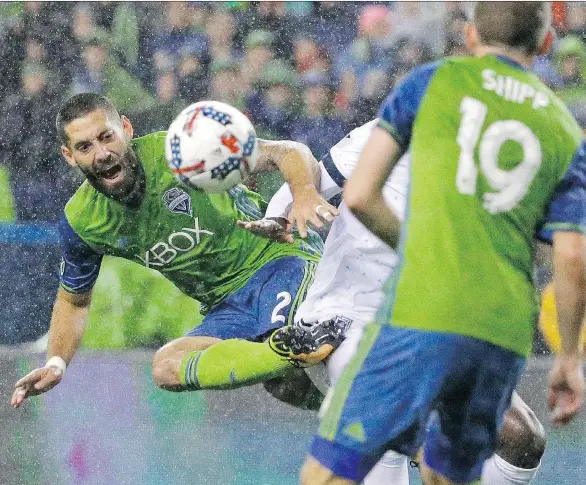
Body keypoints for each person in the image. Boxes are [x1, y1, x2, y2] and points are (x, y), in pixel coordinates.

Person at [300, 3, 586, 485]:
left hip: (421, 312)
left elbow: (361, 195)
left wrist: (420, 249)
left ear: (472, 37)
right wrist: (569, 358)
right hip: (500, 328)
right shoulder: (564, 131)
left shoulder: (432, 83)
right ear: (543, 45)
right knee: (446, 474)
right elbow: (572, 256)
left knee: (327, 475)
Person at [247, 120, 545, 485]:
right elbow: (316, 179)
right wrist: (278, 215)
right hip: (350, 318)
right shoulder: (392, 130)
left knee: (522, 439)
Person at [11, 92, 340, 408]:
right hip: (226, 307)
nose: (101, 153)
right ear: (69, 156)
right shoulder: (82, 221)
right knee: (169, 367)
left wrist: (305, 193)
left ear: (126, 128)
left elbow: (287, 152)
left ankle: (301, 358)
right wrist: (56, 362)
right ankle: (340, 400)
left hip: (280, 262)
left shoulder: (183, 149)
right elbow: (73, 300)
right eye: (85, 147)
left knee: (290, 360)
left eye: (106, 137)